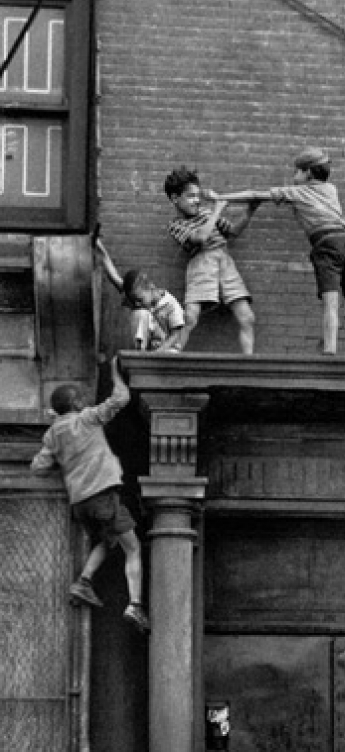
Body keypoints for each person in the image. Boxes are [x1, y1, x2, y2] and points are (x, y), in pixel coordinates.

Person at [213, 146, 345, 358]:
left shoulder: (296, 192)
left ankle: (329, 352)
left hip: (327, 244)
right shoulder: (331, 189)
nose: (293, 176)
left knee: (331, 303)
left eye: (296, 171)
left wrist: (220, 197)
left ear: (308, 172)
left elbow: (254, 195)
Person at [30, 360, 150, 634]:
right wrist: (115, 371)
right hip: (102, 495)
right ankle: (135, 604)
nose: (85, 402)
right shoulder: (87, 419)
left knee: (107, 541)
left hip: (81, 503)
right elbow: (121, 398)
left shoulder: (53, 434)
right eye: (80, 399)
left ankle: (84, 581)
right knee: (133, 548)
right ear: (74, 404)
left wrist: (58, 425)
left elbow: (38, 467)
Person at [164, 166, 260, 354]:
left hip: (225, 261)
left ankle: (248, 364)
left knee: (247, 317)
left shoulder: (207, 213)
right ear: (175, 199)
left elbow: (232, 232)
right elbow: (200, 238)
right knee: (190, 317)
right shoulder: (176, 225)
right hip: (201, 264)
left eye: (198, 195)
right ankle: (173, 353)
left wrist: (249, 211)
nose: (197, 200)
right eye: (190, 196)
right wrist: (216, 209)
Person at [95, 236, 186, 353]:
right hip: (148, 349)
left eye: (140, 299)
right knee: (140, 313)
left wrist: (159, 353)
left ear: (151, 288)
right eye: (134, 300)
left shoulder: (171, 304)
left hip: (167, 350)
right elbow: (111, 272)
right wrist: (96, 241)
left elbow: (176, 336)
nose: (136, 303)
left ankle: (146, 358)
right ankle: (140, 354)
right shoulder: (136, 296)